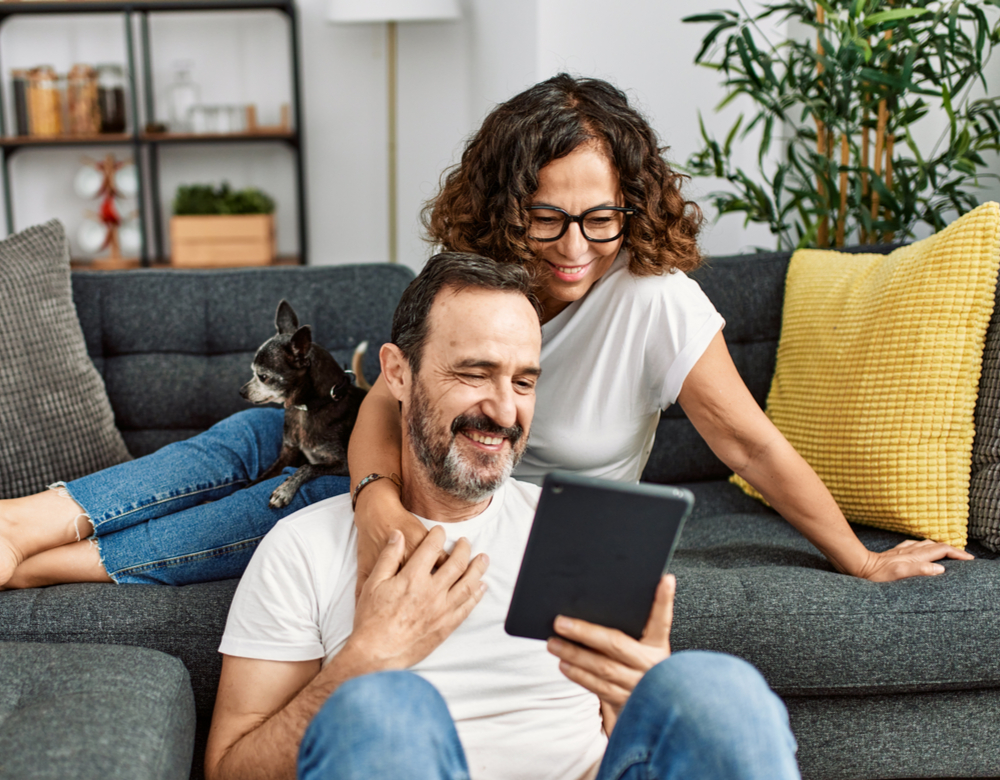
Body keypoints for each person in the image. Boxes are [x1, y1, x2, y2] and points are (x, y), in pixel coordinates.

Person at [0, 73, 970, 591]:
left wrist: (860, 556)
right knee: (267, 437)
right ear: (508, 204)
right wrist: (376, 493)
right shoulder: (469, 284)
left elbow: (748, 440)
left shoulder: (655, 299)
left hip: (498, 525)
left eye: (600, 217)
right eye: (548, 217)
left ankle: (39, 563)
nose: (576, 246)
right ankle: (28, 523)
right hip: (411, 476)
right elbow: (389, 404)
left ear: (631, 205)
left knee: (302, 511)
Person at [204, 251, 814, 780]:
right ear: (397, 374)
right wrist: (366, 659)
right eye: (475, 373)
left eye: (524, 381)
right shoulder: (303, 548)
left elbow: (637, 762)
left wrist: (637, 703)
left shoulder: (581, 531)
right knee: (383, 710)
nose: (504, 408)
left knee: (718, 692)